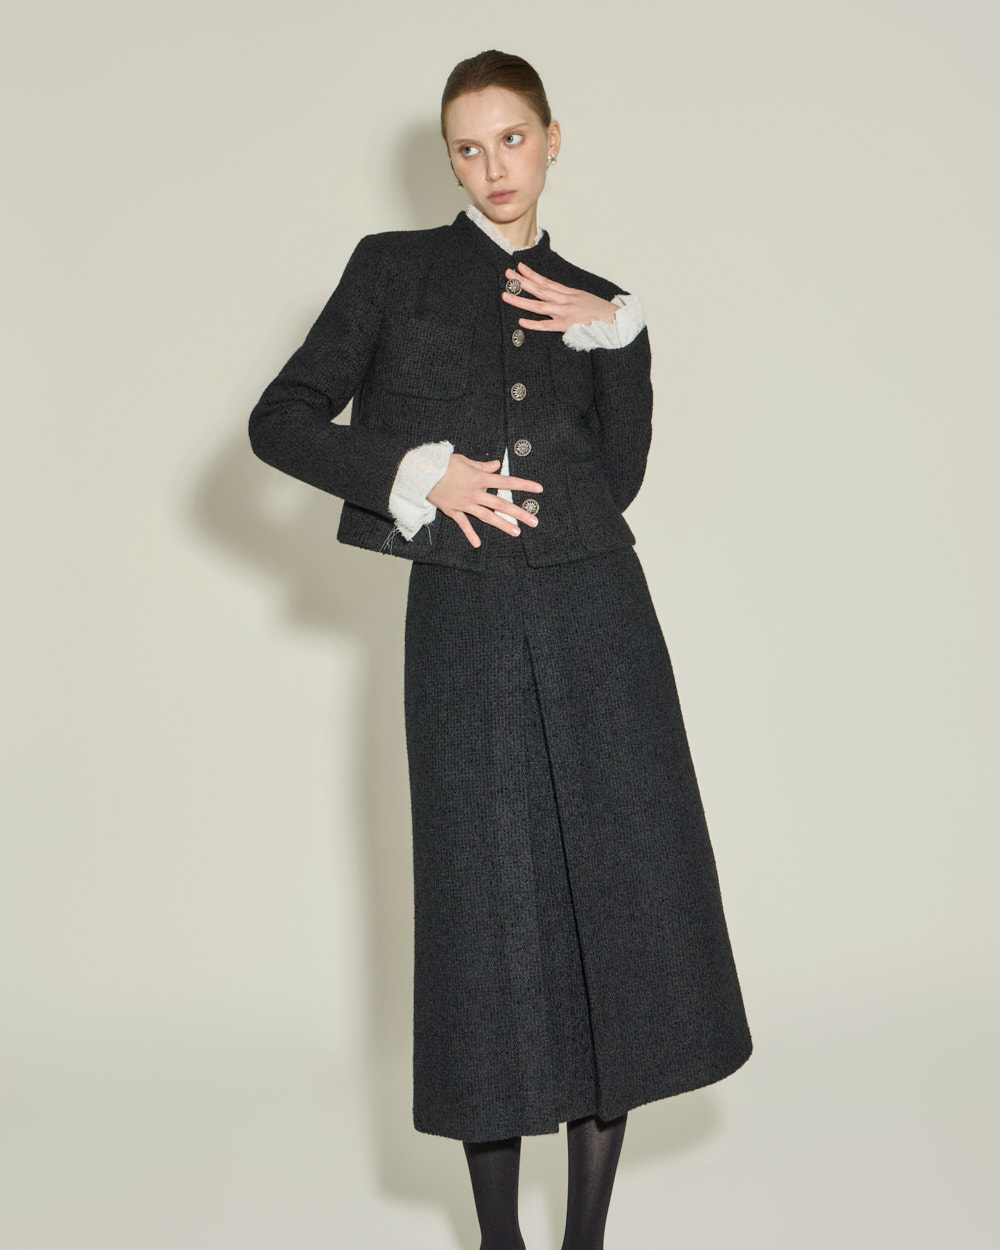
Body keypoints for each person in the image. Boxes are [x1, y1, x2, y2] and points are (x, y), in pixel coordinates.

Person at [248, 48, 753, 1250]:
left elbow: (615, 477)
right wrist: (416, 473)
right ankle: (498, 1239)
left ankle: (583, 1235)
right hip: (463, 626)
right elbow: (281, 420)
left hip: (599, 625)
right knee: (486, 924)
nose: (493, 168)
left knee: (609, 912)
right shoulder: (392, 270)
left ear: (552, 138)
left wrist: (620, 338)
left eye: (512, 139)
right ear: (449, 157)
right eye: (467, 148)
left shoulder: (595, 296)